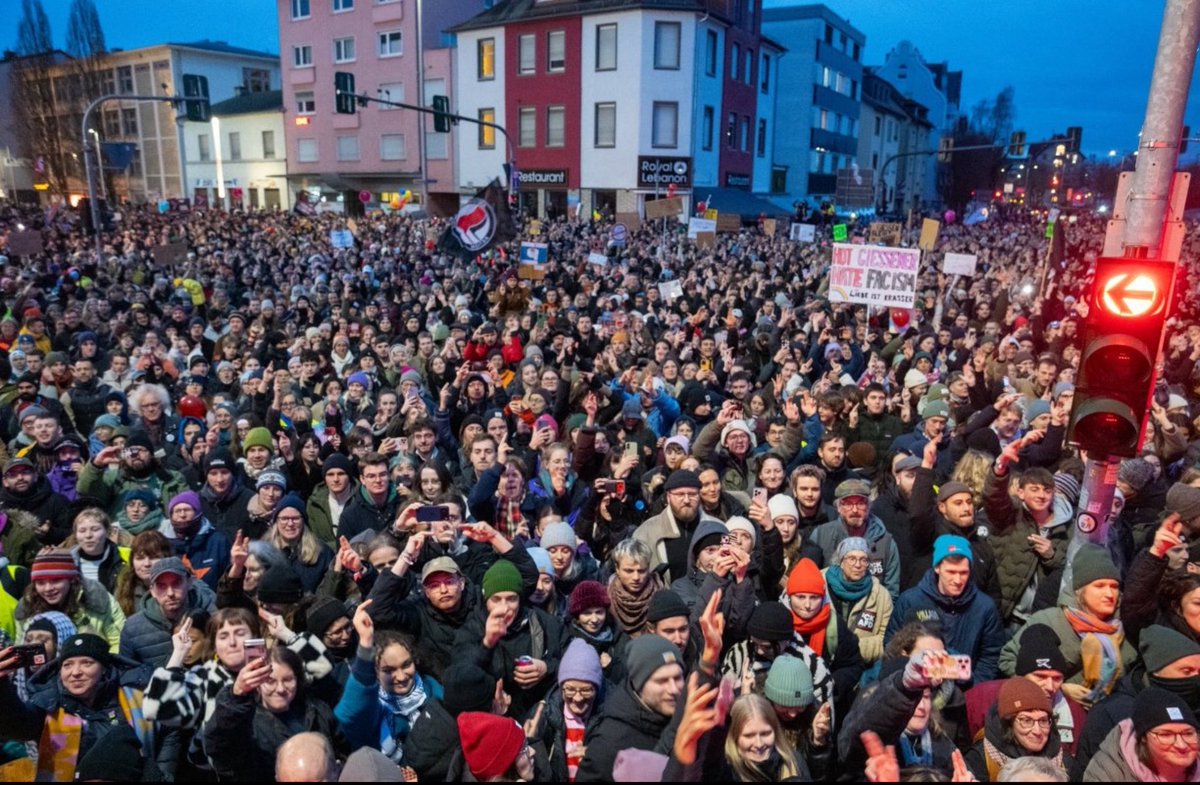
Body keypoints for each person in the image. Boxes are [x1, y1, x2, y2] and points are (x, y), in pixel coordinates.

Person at [0, 633, 174, 781]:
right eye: (67, 665)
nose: (75, 672)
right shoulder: (48, 705)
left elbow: (169, 734)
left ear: (104, 668)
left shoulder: (135, 696)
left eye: (86, 663)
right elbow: (16, 727)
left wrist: (159, 775)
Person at [999, 544, 1136, 705]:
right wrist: (1058, 689)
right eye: (1099, 586)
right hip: (1049, 708)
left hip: (1102, 711)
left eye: (1114, 586)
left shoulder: (1122, 631)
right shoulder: (1049, 621)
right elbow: (1007, 660)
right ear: (1080, 590)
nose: (1109, 594)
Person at [202, 645, 346, 781]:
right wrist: (236, 696)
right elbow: (218, 747)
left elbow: (342, 752)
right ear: (257, 683)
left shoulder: (318, 711)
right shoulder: (244, 721)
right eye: (270, 681)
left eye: (288, 680)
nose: (280, 689)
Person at [888, 535, 1005, 685]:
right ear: (937, 568)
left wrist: (974, 686)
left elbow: (991, 655)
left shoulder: (985, 607)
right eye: (951, 572)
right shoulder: (910, 601)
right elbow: (892, 646)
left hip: (965, 689)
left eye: (963, 573)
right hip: (917, 686)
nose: (958, 580)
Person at [335, 599, 442, 762]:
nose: (401, 677)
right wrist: (365, 644)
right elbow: (348, 717)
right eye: (388, 671)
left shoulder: (434, 690)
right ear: (375, 673)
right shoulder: (372, 709)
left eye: (406, 665)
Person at [575, 633, 685, 780]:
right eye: (661, 681)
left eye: (677, 678)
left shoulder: (688, 719)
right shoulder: (609, 745)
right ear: (638, 684)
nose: (673, 689)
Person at [526, 637, 606, 782]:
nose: (578, 698)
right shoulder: (542, 715)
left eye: (586, 690)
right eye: (570, 690)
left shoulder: (612, 715)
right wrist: (530, 741)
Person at [15, 549, 125, 652]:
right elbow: (21, 647)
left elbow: (119, 642)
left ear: (71, 580)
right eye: (41, 583)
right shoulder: (27, 607)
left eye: (56, 581)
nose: (48, 588)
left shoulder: (98, 599)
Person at [1082, 686, 1200, 781]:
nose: (1181, 745)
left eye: (1188, 734)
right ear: (1143, 738)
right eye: (1166, 735)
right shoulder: (1108, 773)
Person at [965, 676, 1069, 781]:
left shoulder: (1065, 762)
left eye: (1043, 721)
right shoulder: (979, 761)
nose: (1037, 731)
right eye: (1026, 721)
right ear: (1009, 723)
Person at [810, 479, 901, 600]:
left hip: (872, 607)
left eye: (860, 503)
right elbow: (809, 582)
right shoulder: (821, 535)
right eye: (848, 504)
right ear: (838, 508)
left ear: (868, 506)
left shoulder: (885, 542)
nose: (854, 510)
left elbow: (891, 592)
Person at [119, 556, 215, 667]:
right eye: (161, 586)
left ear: (189, 583)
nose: (170, 593)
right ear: (152, 591)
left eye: (176, 583)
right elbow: (125, 672)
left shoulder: (211, 615)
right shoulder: (133, 629)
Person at [823, 536, 893, 665]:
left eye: (863, 560)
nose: (858, 565)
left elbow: (886, 639)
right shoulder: (820, 583)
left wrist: (851, 649)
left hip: (862, 665)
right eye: (852, 559)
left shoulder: (881, 596)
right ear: (841, 561)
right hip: (822, 660)